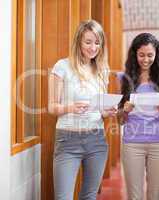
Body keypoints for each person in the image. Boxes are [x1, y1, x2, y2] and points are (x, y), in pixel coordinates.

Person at [48, 20, 116, 200]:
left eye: (97, 42)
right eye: (88, 42)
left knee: (89, 196)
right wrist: (70, 107)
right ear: (78, 41)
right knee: (63, 197)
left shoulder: (102, 70)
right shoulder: (62, 66)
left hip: (96, 140)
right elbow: (52, 106)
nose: (93, 47)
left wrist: (106, 112)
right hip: (67, 140)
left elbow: (99, 108)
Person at [116, 33, 159, 200]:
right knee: (134, 196)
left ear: (156, 55)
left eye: (150, 55)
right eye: (141, 55)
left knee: (155, 195)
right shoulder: (122, 78)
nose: (146, 59)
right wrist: (125, 110)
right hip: (132, 143)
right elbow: (119, 119)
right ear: (134, 54)